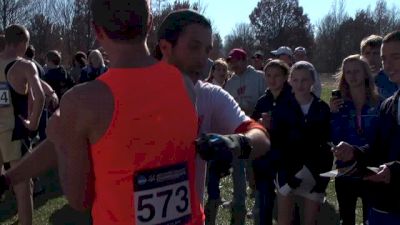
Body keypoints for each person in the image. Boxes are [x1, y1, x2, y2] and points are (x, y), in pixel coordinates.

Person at [1, 1, 208, 224]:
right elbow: (81, 138)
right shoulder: (185, 85)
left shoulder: (84, 101)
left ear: (97, 30)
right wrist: (9, 179)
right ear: (149, 23)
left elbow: (79, 199)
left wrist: (61, 139)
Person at [156, 9, 270, 225]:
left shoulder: (210, 95)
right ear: (165, 47)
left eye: (207, 50)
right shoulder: (135, 93)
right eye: (194, 47)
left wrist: (235, 143)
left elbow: (261, 137)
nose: (203, 59)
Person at [333, 30, 400, 225]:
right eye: (384, 59)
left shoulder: (379, 102)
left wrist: (394, 170)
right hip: (387, 205)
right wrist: (353, 151)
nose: (387, 65)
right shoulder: (389, 104)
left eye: (395, 57)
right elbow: (378, 148)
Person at [274, 61, 332, 225]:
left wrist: (318, 177)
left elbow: (325, 146)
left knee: (310, 221)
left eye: (305, 80)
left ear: (313, 81)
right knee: (284, 220)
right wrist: (286, 176)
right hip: (287, 174)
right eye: (296, 80)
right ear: (290, 81)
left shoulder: (322, 108)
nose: (300, 85)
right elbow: (278, 143)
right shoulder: (282, 107)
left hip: (313, 176)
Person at [0, 24, 45, 225]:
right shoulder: (24, 65)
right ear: (23, 42)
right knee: (23, 187)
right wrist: (33, 123)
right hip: (14, 133)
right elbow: (40, 97)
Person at [330, 54, 381, 225]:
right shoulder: (341, 105)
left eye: (356, 71)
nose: (352, 76)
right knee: (347, 220)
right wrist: (334, 115)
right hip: (346, 172)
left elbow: (381, 139)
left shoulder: (379, 103)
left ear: (366, 73)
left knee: (371, 219)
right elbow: (335, 138)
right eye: (348, 72)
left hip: (372, 171)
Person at [224, 47, 266, 224]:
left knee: (254, 171)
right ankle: (239, 202)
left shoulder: (258, 77)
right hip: (237, 132)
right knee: (238, 170)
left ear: (244, 60)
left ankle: (258, 205)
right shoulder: (231, 82)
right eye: (230, 62)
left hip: (255, 130)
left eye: (235, 61)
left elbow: (266, 99)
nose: (232, 65)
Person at [251, 59, 292, 225]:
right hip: (265, 160)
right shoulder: (263, 101)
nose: (272, 79)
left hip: (286, 159)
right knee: (264, 203)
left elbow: (295, 128)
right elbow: (252, 125)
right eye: (268, 75)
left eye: (276, 75)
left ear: (285, 77)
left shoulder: (293, 98)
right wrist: (260, 125)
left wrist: (274, 125)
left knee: (287, 206)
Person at [360, 34, 397, 99]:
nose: (371, 58)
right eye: (367, 53)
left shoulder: (392, 77)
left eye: (375, 53)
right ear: (362, 56)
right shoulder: (355, 77)